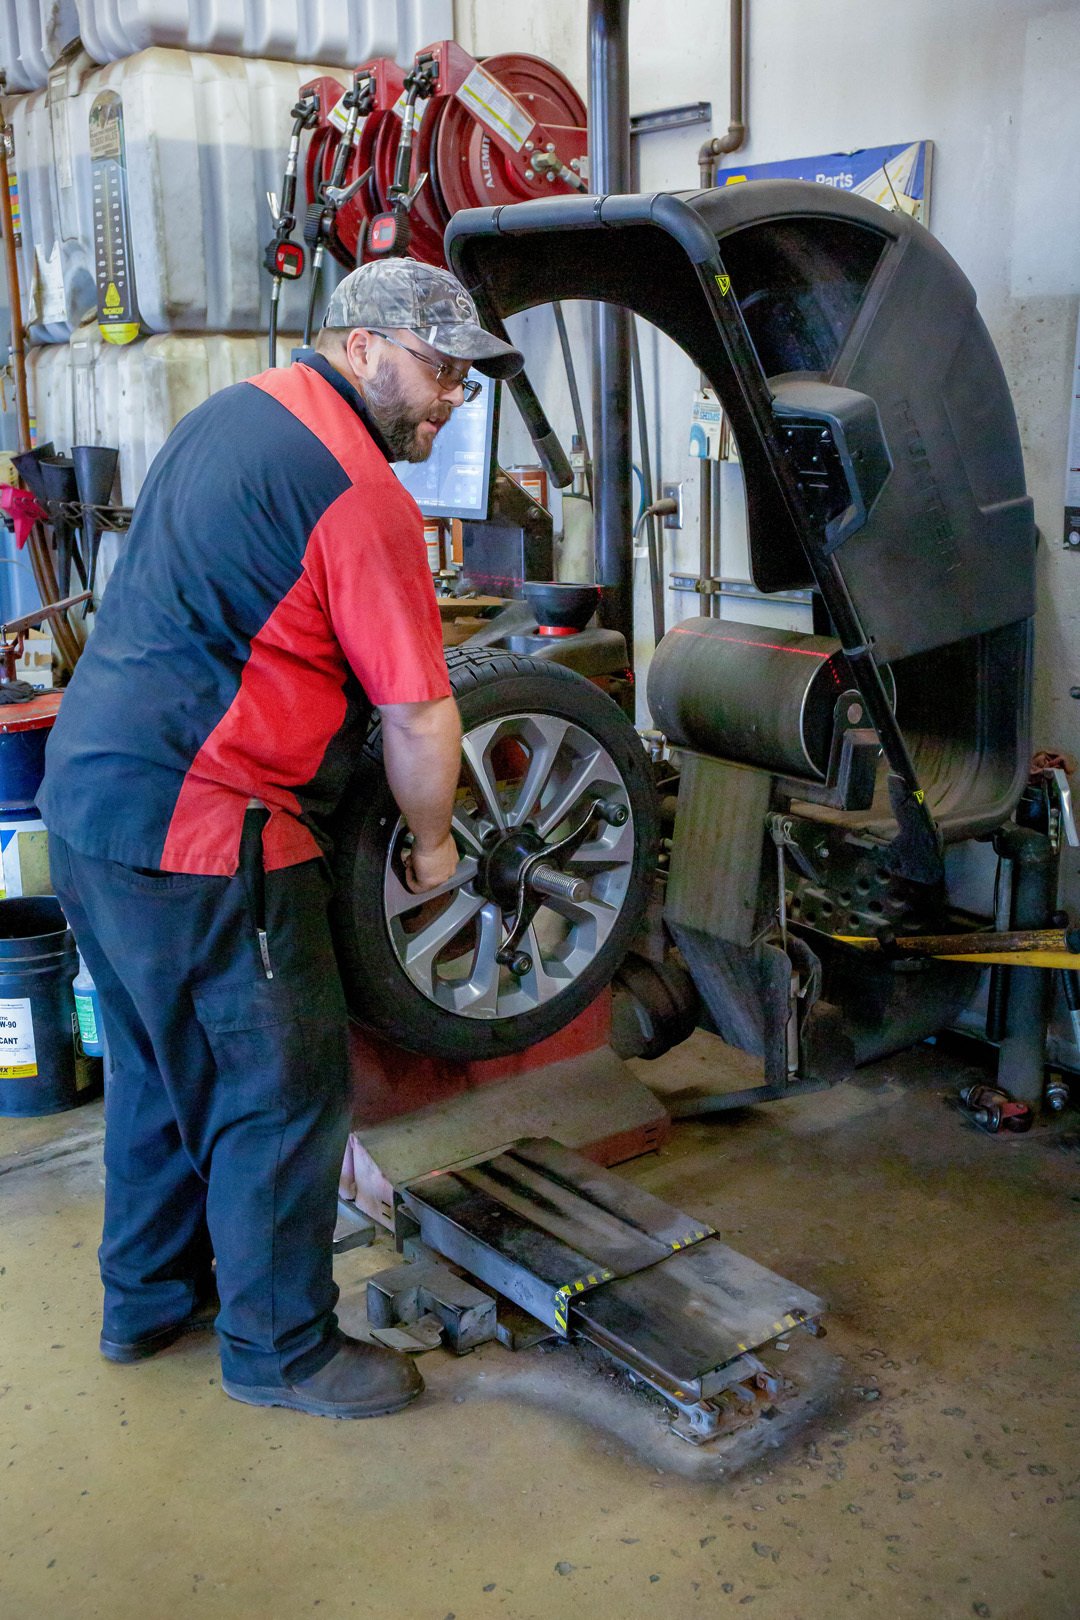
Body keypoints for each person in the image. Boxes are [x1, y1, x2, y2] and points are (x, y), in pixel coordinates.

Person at [37, 260, 524, 1419]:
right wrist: (437, 848)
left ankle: (148, 1300)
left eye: (465, 378)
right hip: (209, 830)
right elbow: (418, 715)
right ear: (362, 347)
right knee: (282, 1089)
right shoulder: (359, 491)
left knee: (160, 1071)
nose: (452, 397)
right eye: (438, 369)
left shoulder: (233, 415)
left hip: (92, 804)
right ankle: (283, 1351)